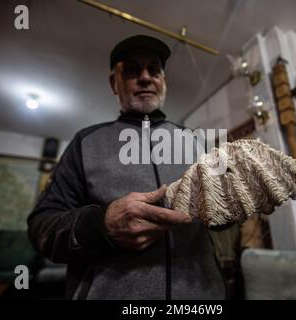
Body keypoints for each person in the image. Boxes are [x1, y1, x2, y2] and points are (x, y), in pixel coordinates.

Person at [27, 35, 226, 300]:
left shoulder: (197, 142)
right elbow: (42, 228)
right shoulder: (85, 143)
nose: (145, 77)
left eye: (154, 70)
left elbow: (219, 217)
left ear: (163, 82)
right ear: (114, 83)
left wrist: (232, 207)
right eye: (132, 70)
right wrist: (101, 227)